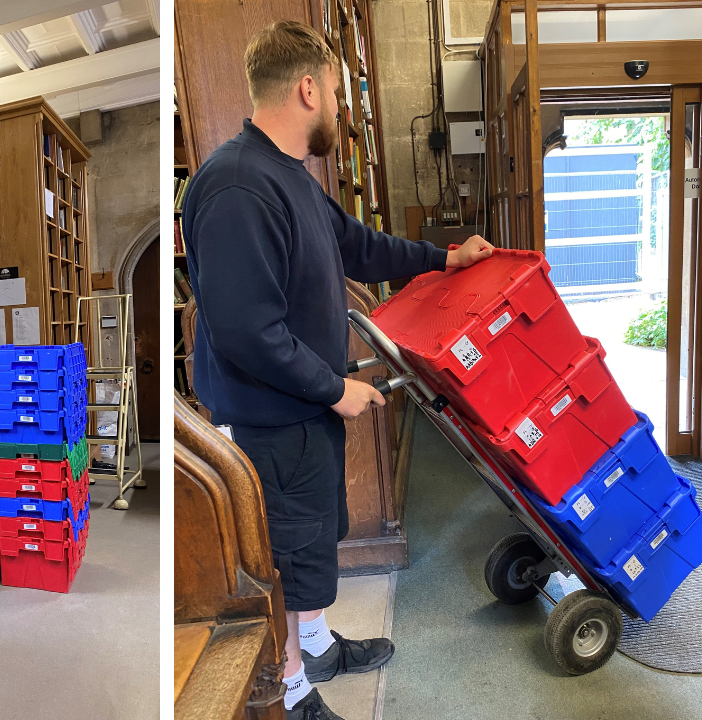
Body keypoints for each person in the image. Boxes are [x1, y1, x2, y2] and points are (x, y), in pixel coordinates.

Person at [180, 20, 494, 720]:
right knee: (288, 563)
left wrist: (445, 260)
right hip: (272, 421)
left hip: (304, 412)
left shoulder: (287, 174)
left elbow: (358, 246)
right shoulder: (236, 185)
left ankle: (316, 647)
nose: (342, 110)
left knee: (316, 545)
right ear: (308, 87)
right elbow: (245, 333)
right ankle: (291, 694)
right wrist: (334, 387)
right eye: (340, 94)